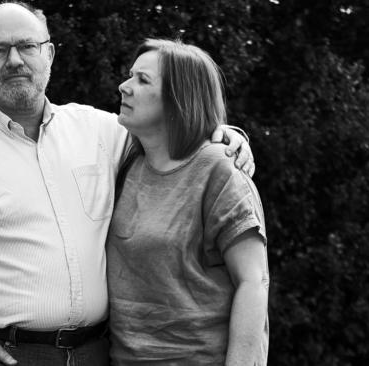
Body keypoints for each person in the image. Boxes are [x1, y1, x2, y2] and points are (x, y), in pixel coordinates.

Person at [0, 3, 254, 366]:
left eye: (27, 46)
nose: (14, 60)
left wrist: (223, 134)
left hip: (98, 353)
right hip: (4, 355)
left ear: (50, 54)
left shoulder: (100, 131)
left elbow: (168, 132)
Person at [107, 39, 269, 365]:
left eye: (143, 80)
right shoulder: (125, 162)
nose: (124, 86)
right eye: (130, 76)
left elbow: (254, 282)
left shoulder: (219, 170)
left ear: (178, 99)